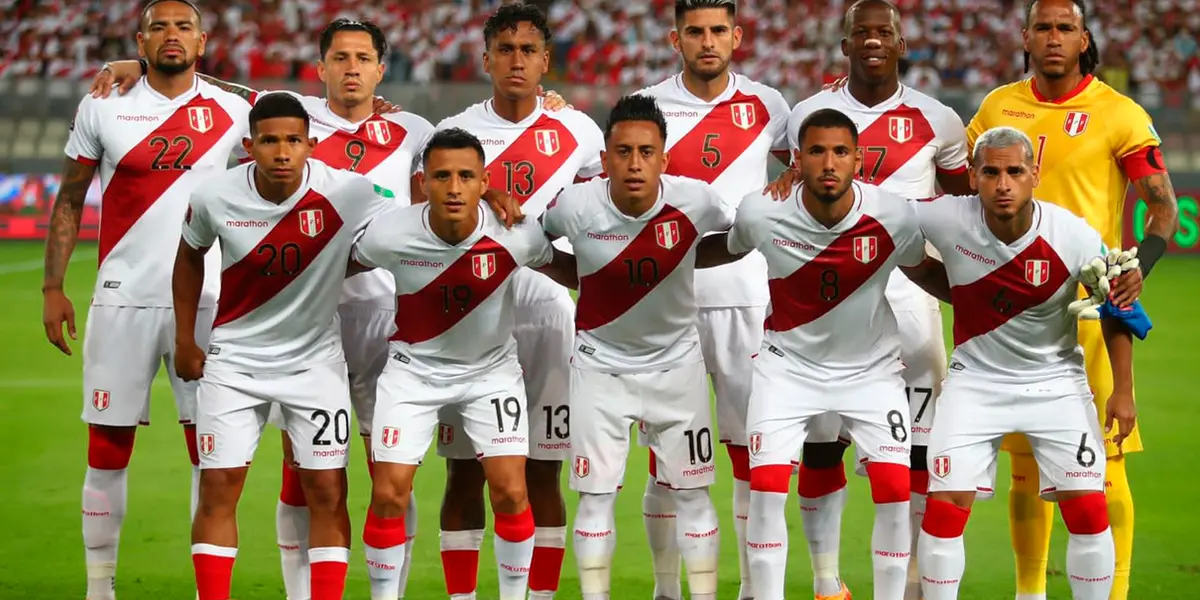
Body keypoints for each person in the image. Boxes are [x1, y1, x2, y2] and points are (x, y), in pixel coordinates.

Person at [88, 19, 519, 600]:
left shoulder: (414, 129)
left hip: (386, 316)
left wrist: (492, 190)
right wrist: (140, 67)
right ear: (320, 68)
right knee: (303, 475)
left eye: (363, 58)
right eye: (340, 57)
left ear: (380, 69)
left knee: (388, 473)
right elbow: (205, 83)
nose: (351, 68)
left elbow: (453, 177)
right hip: (308, 314)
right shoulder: (291, 115)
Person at [966, 2, 1179, 598]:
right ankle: (1029, 592)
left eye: (1066, 28)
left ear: (1084, 39)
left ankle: (1115, 592)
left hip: (1087, 314)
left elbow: (1163, 206)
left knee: (1105, 466)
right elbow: (960, 184)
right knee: (1026, 469)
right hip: (1011, 314)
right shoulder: (996, 108)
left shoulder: (1119, 113)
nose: (1054, 37)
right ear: (1025, 37)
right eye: (1044, 27)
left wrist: (1139, 267)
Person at [40, 2, 251, 598]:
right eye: (159, 27)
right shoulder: (103, 105)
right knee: (107, 449)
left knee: (209, 454)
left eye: (184, 27)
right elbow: (69, 198)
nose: (171, 36)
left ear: (202, 42)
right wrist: (53, 287)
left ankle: (207, 591)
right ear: (141, 39)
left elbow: (311, 114)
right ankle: (100, 589)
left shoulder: (234, 108)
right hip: (121, 299)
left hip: (207, 301)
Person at [702, 107, 951, 600]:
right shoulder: (761, 212)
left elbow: (926, 272)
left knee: (894, 491)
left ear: (858, 160)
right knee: (766, 489)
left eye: (840, 152)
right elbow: (724, 249)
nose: (829, 163)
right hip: (786, 371)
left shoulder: (893, 215)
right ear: (797, 160)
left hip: (872, 372)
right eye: (816, 151)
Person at [784, 2, 973, 598]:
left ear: (900, 43)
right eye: (860, 32)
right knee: (822, 448)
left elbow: (964, 211)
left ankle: (911, 583)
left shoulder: (938, 120)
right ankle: (827, 583)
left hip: (912, 295)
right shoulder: (807, 115)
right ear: (845, 45)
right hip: (829, 301)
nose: (872, 41)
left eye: (883, 32)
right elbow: (785, 198)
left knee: (917, 452)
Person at [174, 92, 392, 600]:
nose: (282, 151)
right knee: (218, 488)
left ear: (311, 144)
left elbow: (419, 217)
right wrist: (185, 337)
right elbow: (188, 255)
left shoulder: (350, 191)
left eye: (293, 140)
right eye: (269, 141)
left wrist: (488, 196)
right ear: (248, 146)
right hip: (234, 363)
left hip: (316, 365)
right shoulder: (214, 196)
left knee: (327, 490)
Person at [351, 127, 578, 600]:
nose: (454, 188)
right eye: (442, 176)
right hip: (412, 372)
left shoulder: (516, 233)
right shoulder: (391, 233)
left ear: (484, 182)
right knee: (388, 494)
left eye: (466, 177)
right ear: (423, 182)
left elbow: (573, 270)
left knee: (511, 492)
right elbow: (337, 265)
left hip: (490, 373)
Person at [914, 126, 1139, 600]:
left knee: (1087, 508)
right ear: (972, 176)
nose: (1003, 184)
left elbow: (1118, 307)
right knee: (945, 505)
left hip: (1056, 381)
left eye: (1015, 172)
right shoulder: (946, 217)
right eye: (990, 173)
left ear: (1034, 174)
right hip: (975, 382)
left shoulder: (1072, 235)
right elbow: (878, 214)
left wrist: (1123, 390)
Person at [432, 5, 605, 599]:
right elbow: (427, 213)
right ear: (485, 59)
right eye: (504, 49)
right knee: (464, 470)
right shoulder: (454, 133)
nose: (516, 60)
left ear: (545, 60)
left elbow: (597, 214)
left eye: (528, 50)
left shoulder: (579, 131)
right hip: (471, 315)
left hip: (550, 312)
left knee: (543, 469)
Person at [541, 93, 734, 600]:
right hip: (599, 369)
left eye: (646, 152)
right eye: (623, 152)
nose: (634, 163)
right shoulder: (575, 204)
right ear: (604, 159)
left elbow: (742, 235)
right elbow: (534, 241)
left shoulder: (697, 200)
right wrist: (583, 274)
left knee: (693, 493)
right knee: (594, 497)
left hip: (677, 367)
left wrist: (682, 260)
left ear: (664, 159)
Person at [633, 2, 791, 596]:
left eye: (718, 30)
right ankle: (666, 589)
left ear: (736, 36)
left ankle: (751, 586)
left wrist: (789, 179)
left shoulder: (769, 105)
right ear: (675, 39)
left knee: (749, 453)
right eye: (695, 31)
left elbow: (814, 160)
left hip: (746, 297)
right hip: (665, 301)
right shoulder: (647, 105)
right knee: (666, 458)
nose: (707, 41)